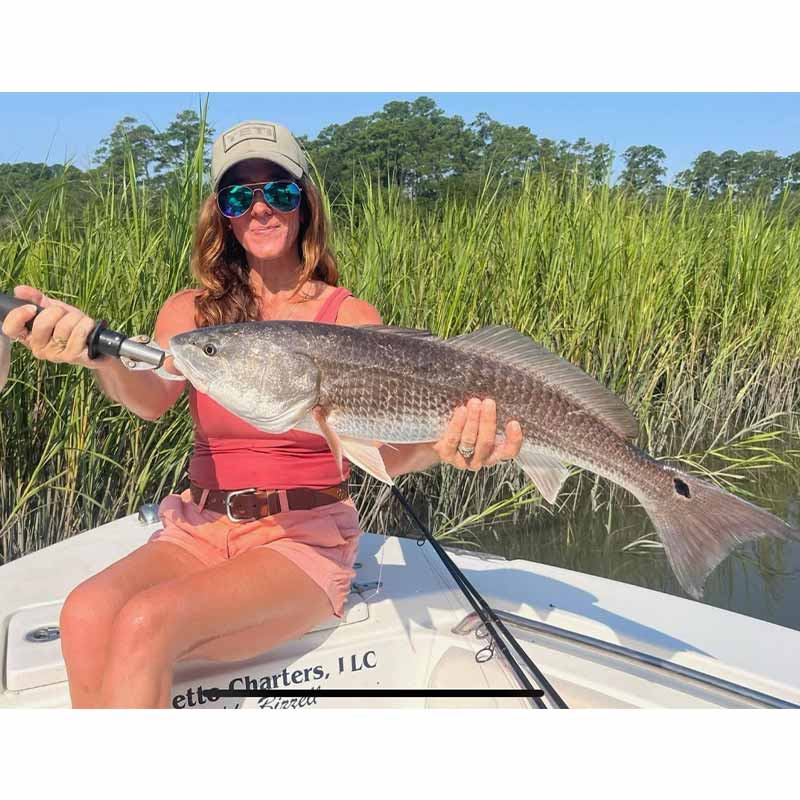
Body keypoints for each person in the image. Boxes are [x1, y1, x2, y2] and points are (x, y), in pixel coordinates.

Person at [1, 120, 524, 708]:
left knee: (147, 621)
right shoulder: (192, 315)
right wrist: (95, 353)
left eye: (278, 191)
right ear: (222, 213)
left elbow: (389, 451)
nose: (260, 208)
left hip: (300, 539)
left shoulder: (348, 320)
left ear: (304, 205)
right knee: (84, 612)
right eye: (238, 195)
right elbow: (149, 399)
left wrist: (448, 444)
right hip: (198, 526)